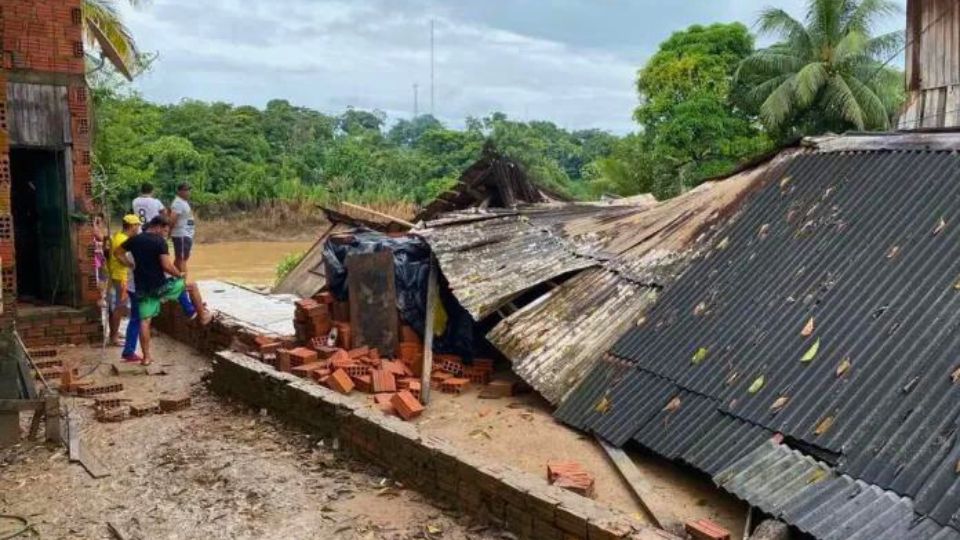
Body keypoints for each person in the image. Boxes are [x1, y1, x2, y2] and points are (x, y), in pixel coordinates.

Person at [115, 215, 213, 366]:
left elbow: (117, 252)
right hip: (159, 287)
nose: (166, 235)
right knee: (191, 286)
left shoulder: (135, 240)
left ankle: (146, 357)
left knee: (144, 321)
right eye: (165, 231)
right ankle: (201, 316)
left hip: (142, 289)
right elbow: (166, 265)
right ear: (158, 227)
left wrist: (129, 264)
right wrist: (178, 274)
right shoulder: (159, 242)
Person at [106, 215, 141, 347]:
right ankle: (114, 337)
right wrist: (131, 265)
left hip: (115, 275)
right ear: (132, 226)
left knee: (115, 306)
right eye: (137, 225)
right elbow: (120, 256)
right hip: (122, 277)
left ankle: (113, 333)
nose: (138, 227)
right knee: (119, 307)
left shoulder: (118, 235)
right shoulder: (125, 240)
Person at [169, 183, 195, 274]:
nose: (188, 192)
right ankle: (183, 283)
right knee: (182, 259)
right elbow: (173, 219)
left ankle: (174, 278)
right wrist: (169, 232)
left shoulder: (183, 202)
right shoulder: (178, 203)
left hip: (186, 234)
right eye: (185, 190)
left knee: (181, 258)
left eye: (188, 190)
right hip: (181, 234)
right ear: (179, 191)